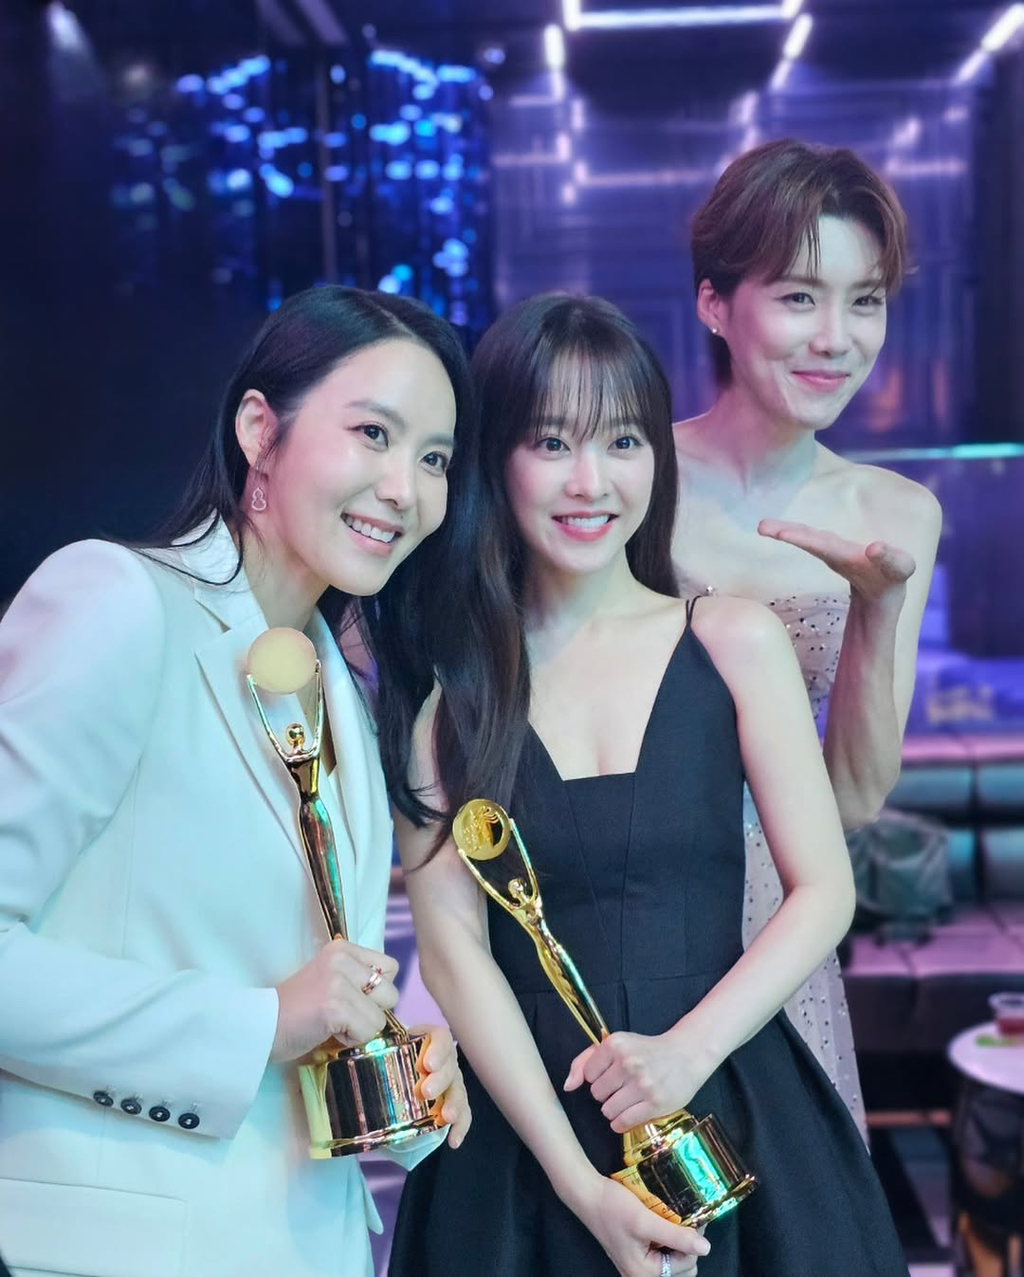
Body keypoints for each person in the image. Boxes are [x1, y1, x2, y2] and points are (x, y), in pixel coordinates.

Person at [388, 293, 909, 1276]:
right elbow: (457, 959)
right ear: (495, 458)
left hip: (729, 1091)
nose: (591, 481)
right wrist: (580, 1186)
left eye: (622, 441)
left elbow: (823, 890)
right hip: (523, 1146)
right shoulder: (446, 705)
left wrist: (687, 1052)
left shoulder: (734, 639)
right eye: (552, 443)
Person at [0, 286, 475, 1277]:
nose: (405, 487)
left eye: (434, 458)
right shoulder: (119, 602)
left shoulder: (343, 688)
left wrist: (406, 1067)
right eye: (373, 434)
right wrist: (262, 1022)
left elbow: (305, 971)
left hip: (305, 1243)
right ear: (261, 429)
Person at [675, 138, 943, 1134]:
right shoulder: (626, 485)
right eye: (798, 296)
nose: (836, 337)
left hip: (784, 915)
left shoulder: (897, 512)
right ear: (716, 304)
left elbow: (856, 799)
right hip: (628, 897)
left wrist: (875, 606)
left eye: (863, 300)